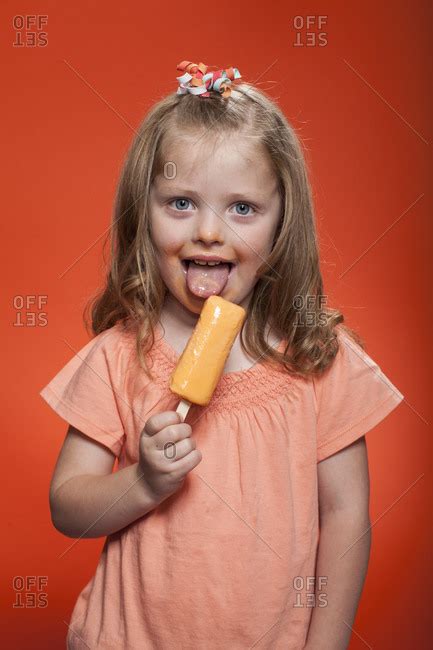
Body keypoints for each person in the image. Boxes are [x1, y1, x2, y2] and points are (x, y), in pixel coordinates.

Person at [40, 60, 404, 649]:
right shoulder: (119, 354)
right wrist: (143, 484)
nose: (209, 232)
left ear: (282, 223)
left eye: (242, 209)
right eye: (180, 203)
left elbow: (345, 518)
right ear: (142, 213)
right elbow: (67, 507)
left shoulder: (317, 358)